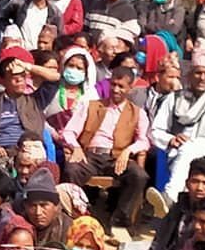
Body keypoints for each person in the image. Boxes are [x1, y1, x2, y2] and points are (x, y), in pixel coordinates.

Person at [62, 66, 149, 229]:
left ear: (130, 88)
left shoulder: (137, 113)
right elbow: (68, 132)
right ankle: (74, 217)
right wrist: (76, 147)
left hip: (116, 158)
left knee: (139, 176)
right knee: (72, 170)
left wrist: (128, 151)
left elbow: (144, 141)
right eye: (113, 84)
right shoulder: (91, 106)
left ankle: (120, 220)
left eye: (121, 86)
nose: (115, 89)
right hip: (90, 155)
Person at [150, 42, 205, 215]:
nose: (202, 78)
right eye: (198, 73)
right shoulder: (173, 99)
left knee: (188, 149)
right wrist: (171, 139)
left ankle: (170, 197)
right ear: (189, 75)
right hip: (175, 154)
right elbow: (155, 131)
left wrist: (192, 144)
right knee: (185, 151)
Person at [0, 56, 60, 161]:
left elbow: (55, 77)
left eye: (23, 76)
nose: (20, 80)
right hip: (1, 154)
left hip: (32, 151)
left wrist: (27, 66)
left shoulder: (36, 100)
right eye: (14, 77)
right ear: (3, 81)